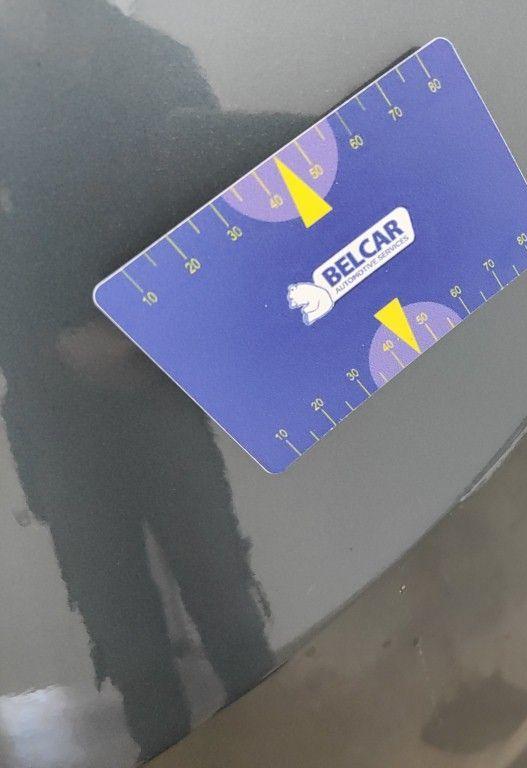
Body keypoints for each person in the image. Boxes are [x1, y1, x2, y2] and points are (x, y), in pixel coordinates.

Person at [0, 0, 299, 758]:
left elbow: (222, 220)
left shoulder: (151, 65)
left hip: (155, 385)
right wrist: (48, 348)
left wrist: (135, 339)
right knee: (124, 634)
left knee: (226, 607)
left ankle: (278, 744)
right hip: (48, 405)